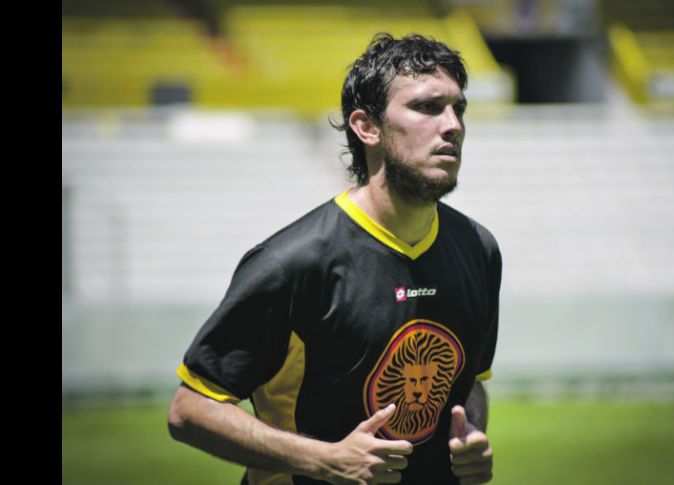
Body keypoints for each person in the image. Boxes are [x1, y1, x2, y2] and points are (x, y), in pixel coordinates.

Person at [168, 32, 501, 485]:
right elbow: (190, 409)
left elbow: (469, 381)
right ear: (367, 127)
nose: (453, 125)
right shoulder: (291, 264)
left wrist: (472, 435)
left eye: (458, 108)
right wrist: (324, 460)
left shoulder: (478, 248)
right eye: (428, 107)